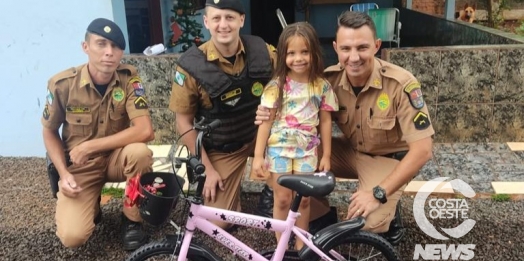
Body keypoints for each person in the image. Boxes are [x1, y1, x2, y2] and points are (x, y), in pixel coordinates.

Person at [255, 11, 434, 245]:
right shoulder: (328, 79)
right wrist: (267, 114)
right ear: (336, 48)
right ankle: (305, 208)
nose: (354, 57)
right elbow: (298, 108)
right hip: (349, 152)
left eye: (362, 47)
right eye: (346, 48)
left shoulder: (400, 84)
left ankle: (389, 202)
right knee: (287, 148)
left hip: (386, 159)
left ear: (377, 46)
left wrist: (378, 193)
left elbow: (423, 151)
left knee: (366, 222)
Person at [41, 18, 154, 250]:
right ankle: (91, 207)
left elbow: (145, 130)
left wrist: (90, 146)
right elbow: (49, 130)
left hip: (116, 158)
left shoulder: (129, 78)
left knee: (140, 153)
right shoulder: (63, 84)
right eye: (101, 44)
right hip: (80, 167)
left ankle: (132, 219)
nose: (109, 53)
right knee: (73, 237)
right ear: (86, 47)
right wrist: (63, 174)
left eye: (115, 47)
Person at [168, 0, 277, 230]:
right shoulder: (191, 66)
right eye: (216, 18)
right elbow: (184, 121)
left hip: (264, 137)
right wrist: (207, 169)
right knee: (215, 224)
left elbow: (288, 85)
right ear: (206, 22)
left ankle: (273, 192)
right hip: (224, 146)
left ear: (241, 20)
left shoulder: (263, 51)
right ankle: (232, 198)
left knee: (300, 198)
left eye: (229, 17)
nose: (223, 25)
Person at [252, 22, 339, 249]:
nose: (298, 58)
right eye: (291, 53)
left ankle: (302, 246)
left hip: (307, 151)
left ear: (314, 53)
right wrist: (258, 156)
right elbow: (266, 122)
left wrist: (326, 154)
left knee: (305, 199)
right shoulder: (275, 86)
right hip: (278, 150)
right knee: (281, 198)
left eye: (304, 52)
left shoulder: (322, 86)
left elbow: (326, 121)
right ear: (283, 55)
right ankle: (281, 244)